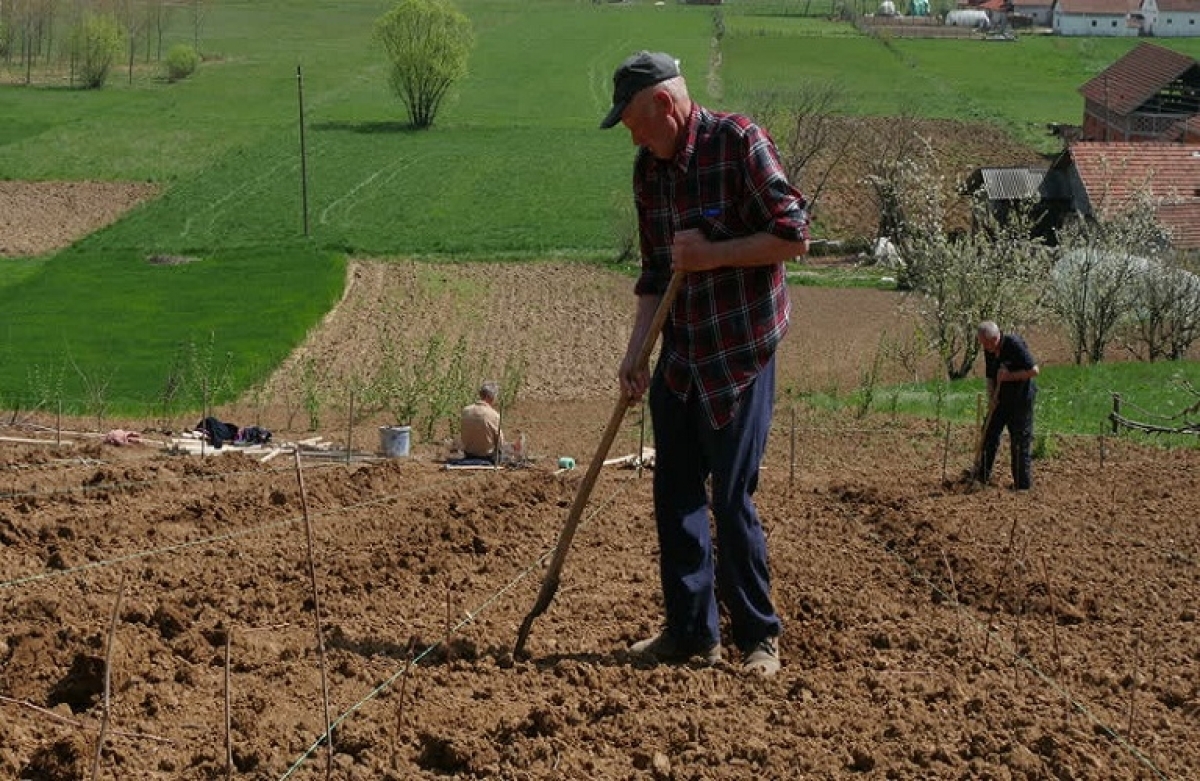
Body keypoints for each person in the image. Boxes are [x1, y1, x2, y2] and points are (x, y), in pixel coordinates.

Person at [601, 51, 809, 676]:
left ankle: (757, 637)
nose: (632, 136)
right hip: (681, 354)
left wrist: (714, 255)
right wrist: (636, 354)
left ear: (664, 105)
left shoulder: (738, 142)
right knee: (676, 495)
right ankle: (692, 633)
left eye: (635, 122)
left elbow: (795, 235)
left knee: (731, 501)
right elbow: (654, 273)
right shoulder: (649, 172)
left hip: (739, 355)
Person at [976, 321, 1039, 490]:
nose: (985, 348)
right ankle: (981, 476)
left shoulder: (1014, 344)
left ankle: (1022, 485)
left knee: (1019, 440)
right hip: (1001, 398)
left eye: (986, 344)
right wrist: (991, 399)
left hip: (1021, 399)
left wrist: (1009, 376)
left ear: (995, 338)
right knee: (989, 432)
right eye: (982, 344)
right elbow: (990, 376)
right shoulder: (989, 348)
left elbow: (1034, 371)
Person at [460, 381, 505, 462]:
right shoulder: (494, 415)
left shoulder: (466, 410)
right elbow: (500, 442)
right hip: (486, 456)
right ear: (490, 397)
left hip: (468, 454)